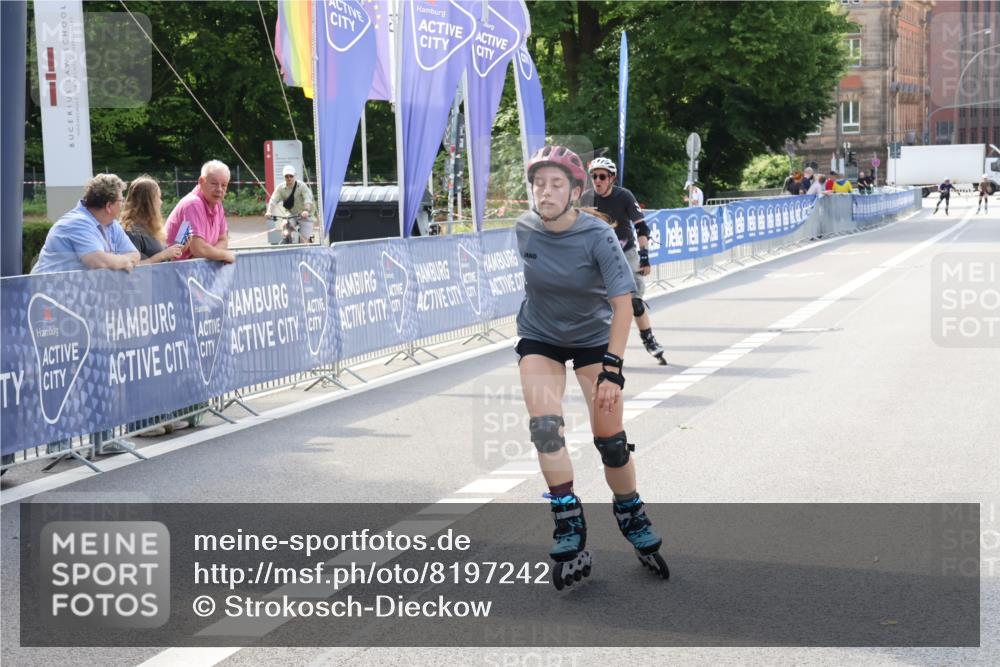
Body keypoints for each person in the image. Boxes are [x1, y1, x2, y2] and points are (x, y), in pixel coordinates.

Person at [517, 145, 669, 589]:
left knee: (612, 442)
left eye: (556, 184)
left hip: (593, 340)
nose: (544, 192)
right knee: (544, 428)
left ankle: (630, 510)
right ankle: (567, 519)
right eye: (538, 184)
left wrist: (612, 370)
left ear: (576, 192)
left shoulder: (597, 237)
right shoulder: (524, 229)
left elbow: (624, 305)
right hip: (541, 336)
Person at [581, 157, 668, 364]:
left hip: (625, 252)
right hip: (599, 255)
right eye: (594, 176)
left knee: (635, 302)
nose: (597, 181)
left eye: (602, 176)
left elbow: (641, 227)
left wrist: (645, 257)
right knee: (595, 303)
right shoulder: (587, 198)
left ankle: (649, 340)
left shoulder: (624, 196)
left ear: (611, 178)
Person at [31, 173, 140, 275]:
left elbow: (135, 255)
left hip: (77, 291)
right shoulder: (76, 223)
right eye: (121, 200)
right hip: (47, 292)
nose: (123, 204)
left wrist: (113, 260)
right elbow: (97, 261)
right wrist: (124, 261)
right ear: (109, 206)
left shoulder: (112, 224)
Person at [165, 160, 236, 263]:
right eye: (214, 183)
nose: (219, 189)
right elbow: (198, 249)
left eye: (224, 185)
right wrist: (224, 255)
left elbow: (223, 240)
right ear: (201, 181)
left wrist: (208, 255)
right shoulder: (193, 204)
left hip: (194, 270)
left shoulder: (217, 204)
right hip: (175, 270)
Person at [121, 175, 186, 265]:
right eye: (158, 198)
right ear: (147, 202)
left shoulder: (151, 227)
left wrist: (178, 250)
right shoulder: (131, 232)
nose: (161, 202)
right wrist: (162, 255)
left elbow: (162, 260)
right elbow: (132, 267)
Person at [266, 164, 316, 243]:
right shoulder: (280, 188)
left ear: (295, 176)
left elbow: (308, 199)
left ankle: (306, 243)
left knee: (304, 241)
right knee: (285, 224)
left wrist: (306, 210)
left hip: (305, 216)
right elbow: (273, 200)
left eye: (291, 176)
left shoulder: (302, 186)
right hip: (292, 214)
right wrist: (269, 211)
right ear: (284, 177)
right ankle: (288, 241)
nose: (289, 178)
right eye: (286, 176)